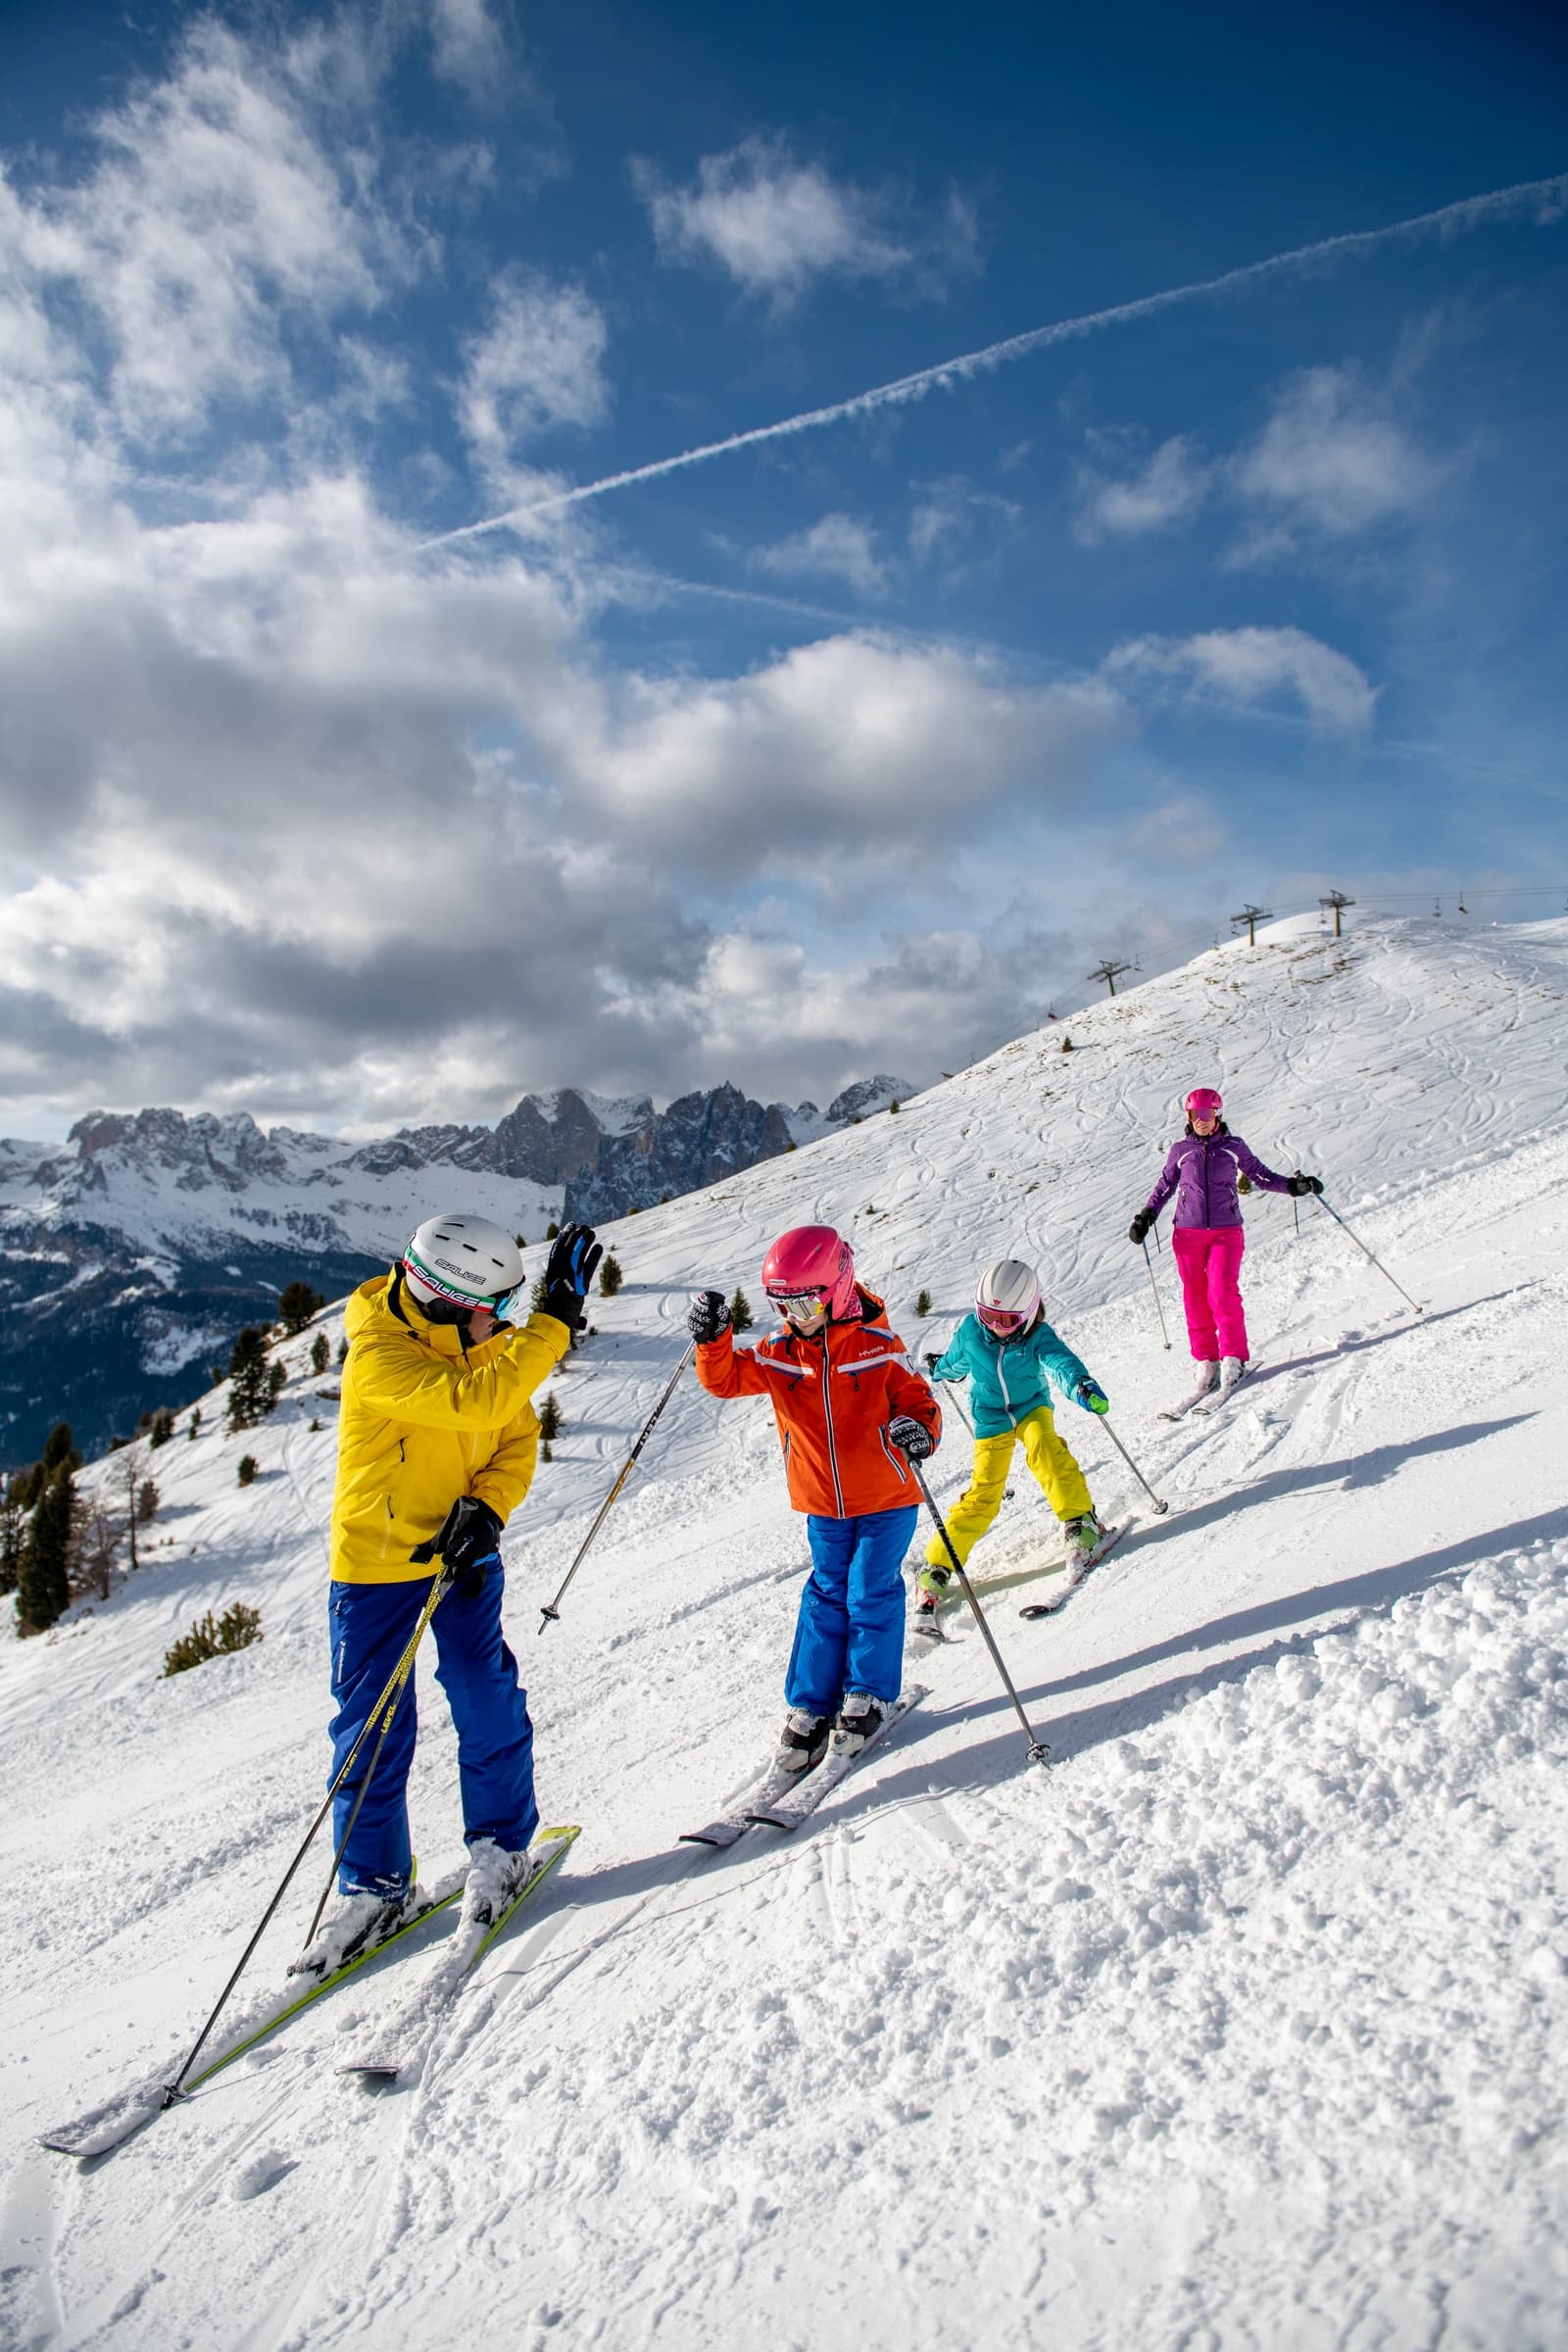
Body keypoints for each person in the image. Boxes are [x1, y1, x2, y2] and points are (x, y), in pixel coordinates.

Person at [307, 1213, 601, 1973]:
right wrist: (551, 1326)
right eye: (492, 1305)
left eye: (508, 1308)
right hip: (377, 1565)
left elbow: (512, 1434)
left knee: (481, 1690)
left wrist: (490, 1507)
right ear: (442, 1298)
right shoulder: (378, 1354)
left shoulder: (486, 1346)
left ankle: (502, 1848)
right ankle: (374, 1888)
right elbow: (473, 1404)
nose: (501, 1319)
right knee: (371, 1727)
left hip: (461, 1554)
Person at [688, 1224, 941, 1774]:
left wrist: (919, 1430)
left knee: (869, 1588)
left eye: (804, 1300)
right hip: (823, 1503)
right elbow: (726, 1379)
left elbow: (919, 1403)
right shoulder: (780, 1353)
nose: (795, 1314)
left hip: (887, 1496)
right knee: (826, 1593)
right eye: (783, 1303)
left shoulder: (879, 1348)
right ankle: (811, 1704)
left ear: (837, 1288)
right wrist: (713, 1340)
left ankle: (868, 1692)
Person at [918, 1256, 1112, 1621]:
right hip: (990, 1417)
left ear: (1028, 1313)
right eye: (986, 1315)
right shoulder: (972, 1331)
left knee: (1044, 1449)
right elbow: (957, 1361)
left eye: (1006, 1320)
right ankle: (938, 1564)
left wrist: (1081, 1386)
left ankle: (1080, 1520)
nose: (994, 1326)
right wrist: (939, 1368)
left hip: (1030, 1407)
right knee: (984, 1493)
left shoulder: (1038, 1336)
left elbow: (1061, 1363)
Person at [1130, 1088, 1321, 1406]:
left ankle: (1233, 1356)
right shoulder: (1181, 1150)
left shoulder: (1233, 1147)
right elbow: (1165, 1186)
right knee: (1195, 1296)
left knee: (1221, 1291)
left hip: (1226, 1231)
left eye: (1207, 1115)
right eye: (1195, 1116)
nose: (1201, 1122)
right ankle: (1207, 1360)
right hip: (1187, 1234)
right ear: (1189, 1118)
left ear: (1217, 1114)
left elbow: (1260, 1175)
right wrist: (1146, 1216)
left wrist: (1292, 1186)